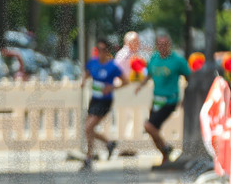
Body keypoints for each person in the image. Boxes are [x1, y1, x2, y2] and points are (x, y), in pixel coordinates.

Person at [134, 33, 191, 168]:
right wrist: (140, 86)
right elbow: (148, 74)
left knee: (149, 126)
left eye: (165, 45)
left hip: (170, 100)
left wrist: (185, 97)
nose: (162, 48)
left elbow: (189, 76)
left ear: (169, 45)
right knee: (153, 130)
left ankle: (166, 147)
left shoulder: (177, 60)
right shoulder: (154, 58)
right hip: (156, 100)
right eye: (160, 45)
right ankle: (165, 155)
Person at [80, 38, 126, 169]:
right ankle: (106, 145)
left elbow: (125, 81)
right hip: (95, 99)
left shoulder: (112, 66)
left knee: (88, 128)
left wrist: (112, 87)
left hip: (105, 100)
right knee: (89, 129)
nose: (100, 52)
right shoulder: (93, 63)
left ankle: (90, 156)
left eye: (103, 50)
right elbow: (87, 73)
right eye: (98, 50)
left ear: (107, 51)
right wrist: (83, 80)